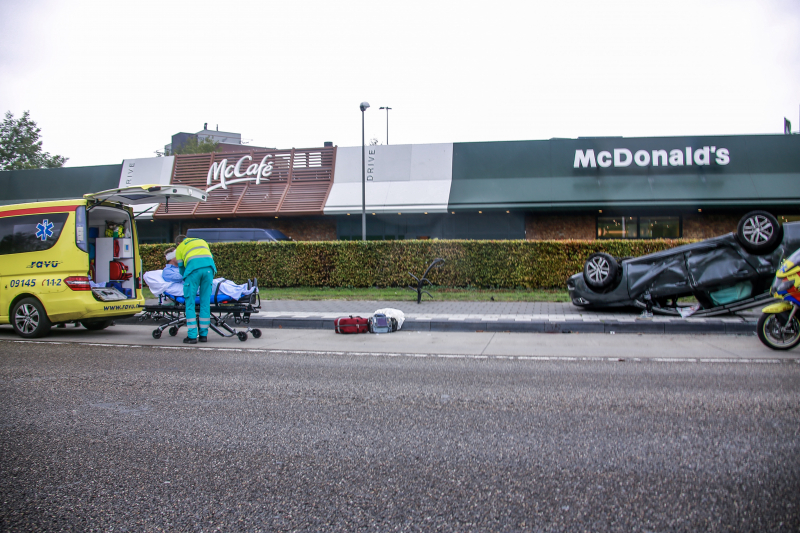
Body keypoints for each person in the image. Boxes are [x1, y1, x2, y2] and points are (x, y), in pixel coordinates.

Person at [174, 234, 217, 344]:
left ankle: (192, 336)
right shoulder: (202, 241)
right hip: (209, 270)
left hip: (193, 271)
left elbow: (181, 267)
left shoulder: (180, 247)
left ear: (178, 243)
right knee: (205, 303)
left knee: (190, 304)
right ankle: (203, 335)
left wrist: (186, 278)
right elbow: (209, 257)